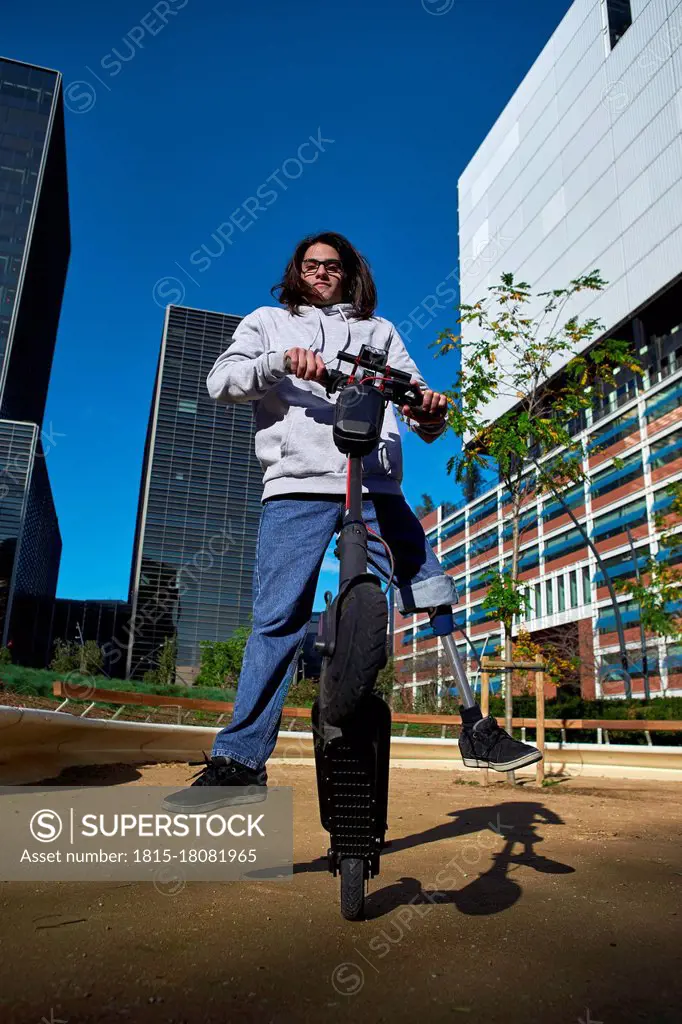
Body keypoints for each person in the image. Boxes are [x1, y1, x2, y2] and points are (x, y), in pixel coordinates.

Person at [165, 232, 540, 811]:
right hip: (299, 486)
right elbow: (222, 383)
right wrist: (280, 361)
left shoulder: (380, 332)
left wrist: (428, 407)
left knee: (433, 588)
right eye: (311, 265)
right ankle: (240, 759)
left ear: (349, 273)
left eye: (332, 266)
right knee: (278, 618)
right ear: (298, 271)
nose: (321, 273)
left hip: (376, 484)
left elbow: (421, 413)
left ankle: (475, 725)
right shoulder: (267, 321)